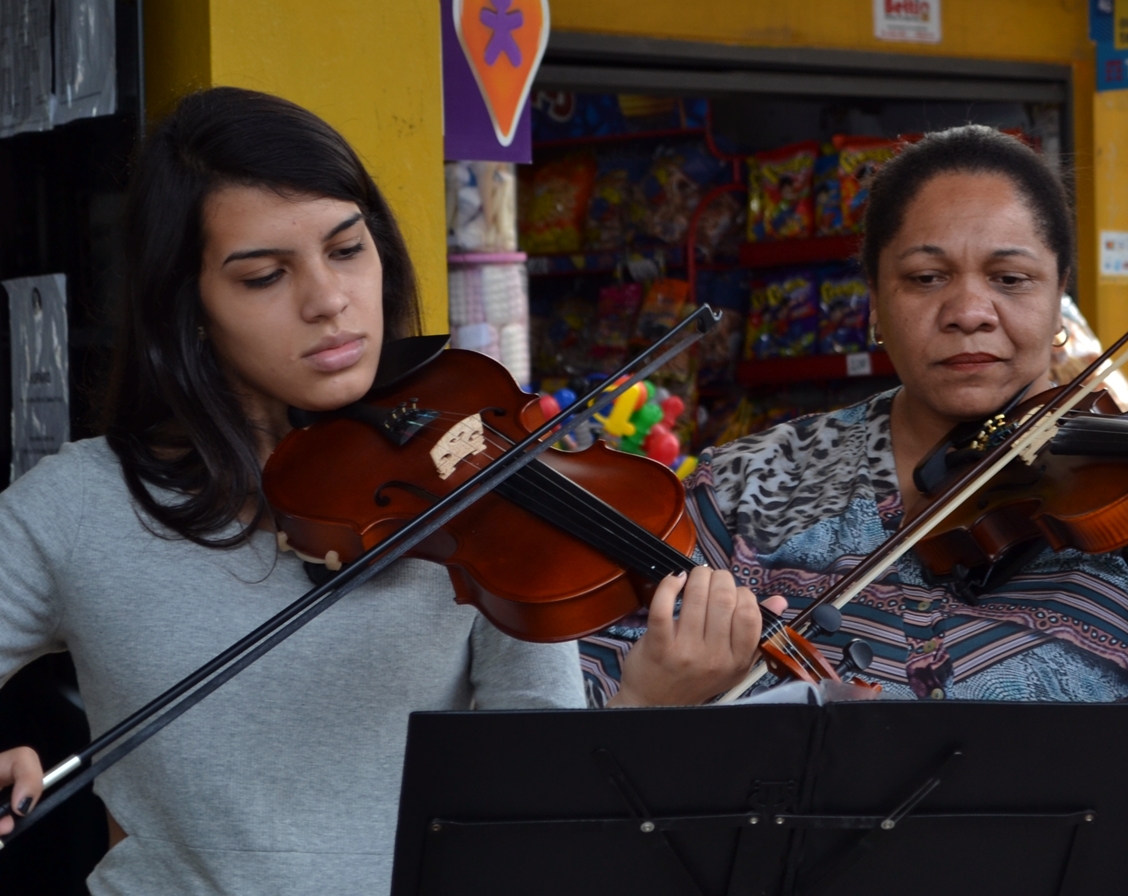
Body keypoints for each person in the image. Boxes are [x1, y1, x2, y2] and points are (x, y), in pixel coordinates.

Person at [0, 87, 732, 894]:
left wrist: (648, 710)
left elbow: (537, 818)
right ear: (189, 310)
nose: (329, 301)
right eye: (264, 277)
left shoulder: (480, 483)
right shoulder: (79, 507)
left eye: (347, 250)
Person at [583, 125, 1128, 895]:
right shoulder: (745, 485)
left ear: (1059, 296)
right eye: (927, 278)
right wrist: (651, 701)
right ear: (873, 303)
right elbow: (587, 765)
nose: (970, 310)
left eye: (1011, 279)